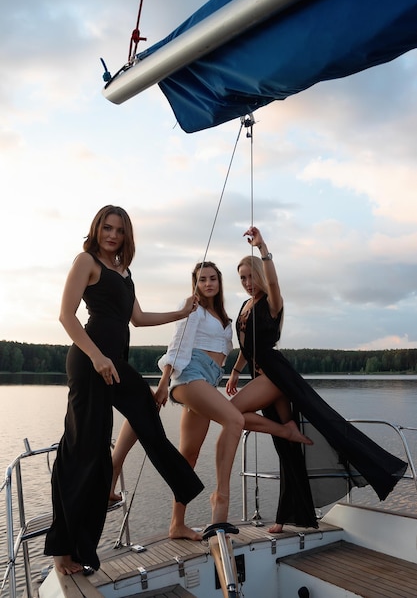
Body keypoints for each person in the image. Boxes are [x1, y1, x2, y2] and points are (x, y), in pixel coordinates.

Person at [44, 205, 204, 576]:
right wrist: (97, 357)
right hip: (90, 362)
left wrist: (181, 313)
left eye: (119, 230)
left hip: (115, 363)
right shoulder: (86, 261)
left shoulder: (124, 272)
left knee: (148, 414)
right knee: (84, 450)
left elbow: (139, 318)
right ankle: (63, 549)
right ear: (97, 229)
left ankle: (184, 486)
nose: (112, 235)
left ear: (127, 236)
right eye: (107, 228)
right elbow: (66, 315)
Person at [110, 261, 310, 541]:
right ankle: (221, 499)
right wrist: (165, 381)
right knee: (234, 419)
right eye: (202, 279)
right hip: (190, 375)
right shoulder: (192, 307)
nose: (208, 284)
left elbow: (244, 345)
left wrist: (236, 371)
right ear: (196, 284)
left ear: (219, 282)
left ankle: (176, 524)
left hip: (208, 380)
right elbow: (177, 343)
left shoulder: (223, 315)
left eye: (212, 278)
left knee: (189, 455)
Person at [227, 226, 408, 533]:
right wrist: (234, 370)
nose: (246, 283)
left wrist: (263, 249)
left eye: (250, 276)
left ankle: (373, 466)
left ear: (259, 274)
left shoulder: (271, 301)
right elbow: (246, 344)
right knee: (287, 447)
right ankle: (292, 515)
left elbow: (273, 281)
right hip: (257, 376)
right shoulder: (243, 307)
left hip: (274, 376)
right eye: (242, 278)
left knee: (231, 412)